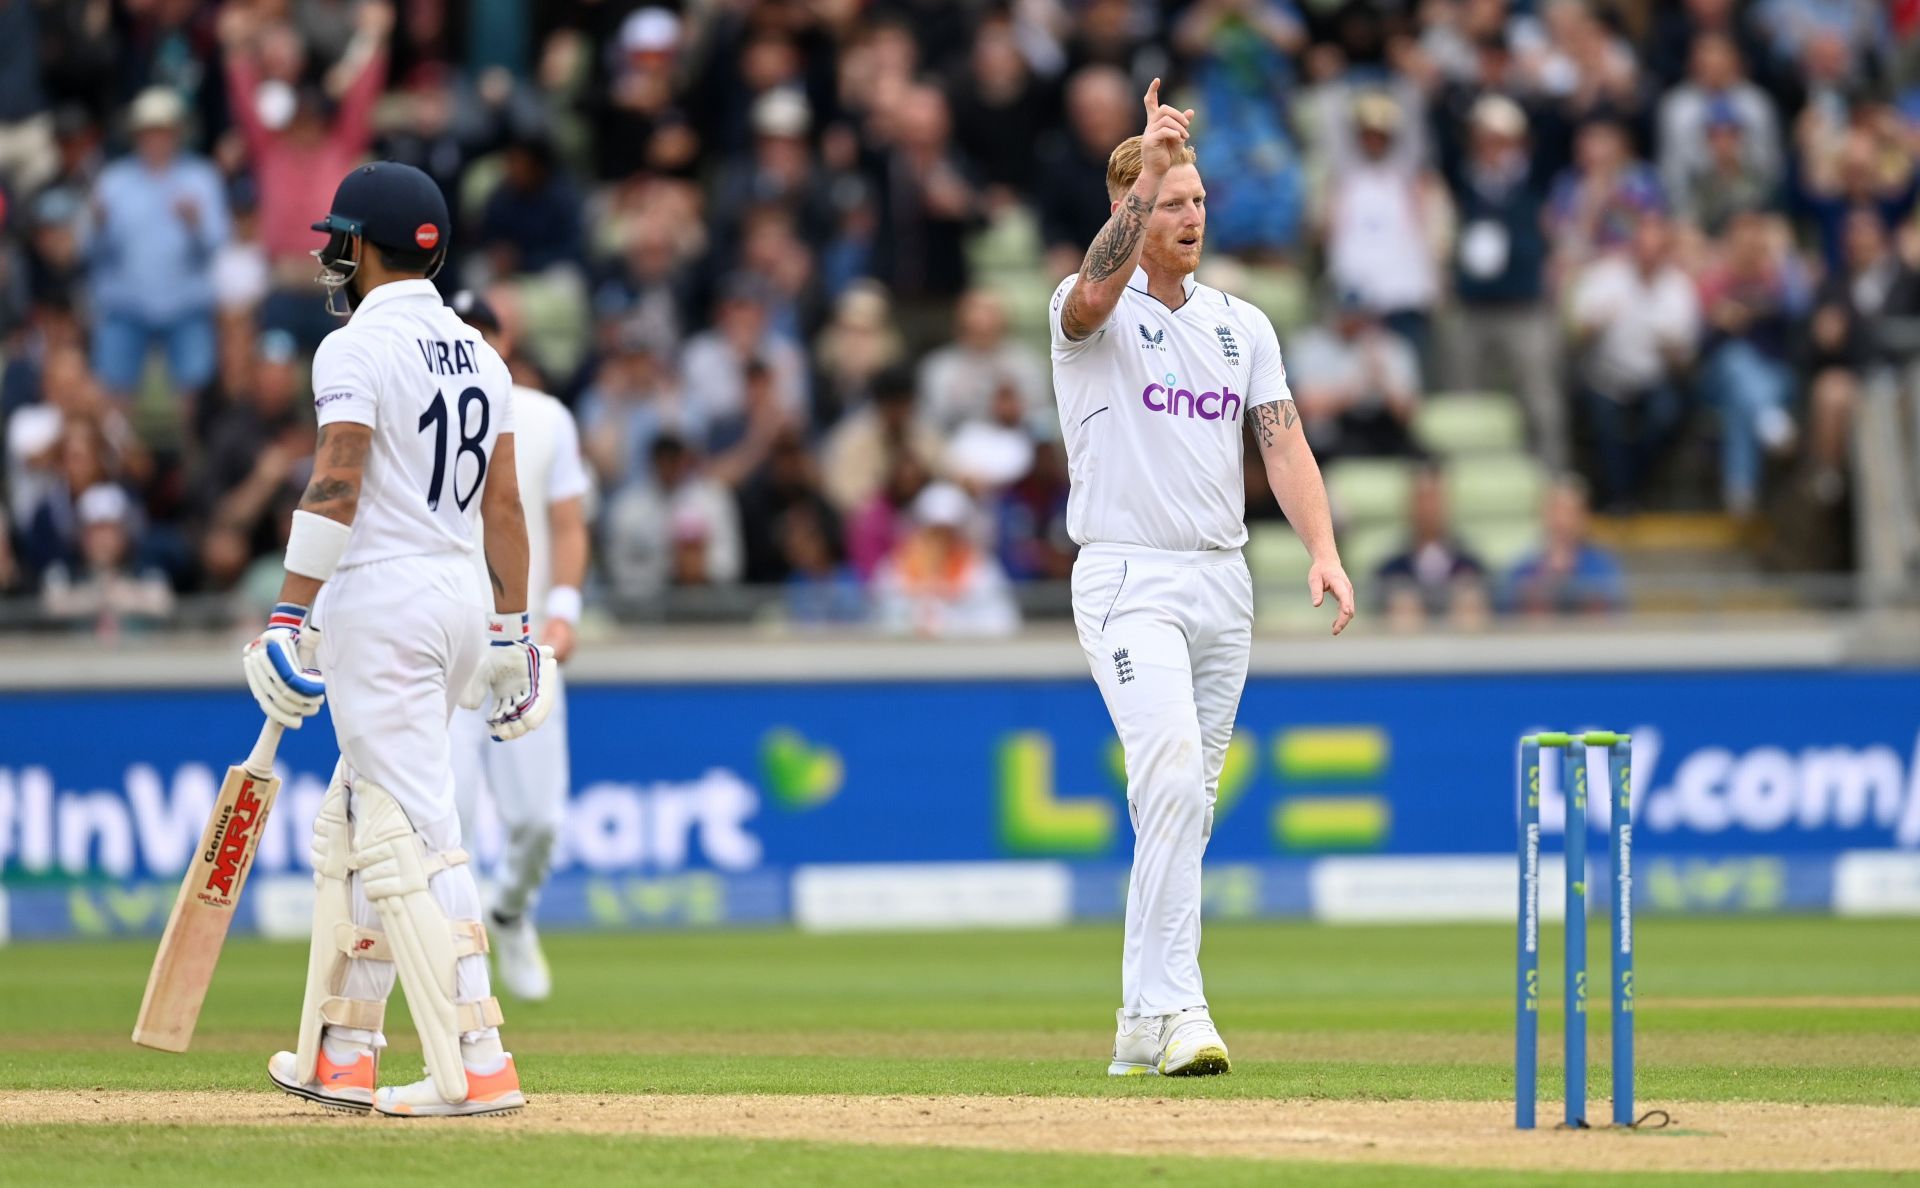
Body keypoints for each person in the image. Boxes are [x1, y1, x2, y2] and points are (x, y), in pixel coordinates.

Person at [1049, 80, 1353, 1078]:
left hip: (1221, 582)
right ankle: (1181, 1010)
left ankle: (1142, 1022)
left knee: (1187, 803)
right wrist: (1144, 159)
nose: (1190, 217)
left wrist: (1323, 548)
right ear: (1130, 206)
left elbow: (1285, 445)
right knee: (1171, 771)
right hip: (1127, 578)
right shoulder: (1083, 308)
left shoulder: (1242, 325)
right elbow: (1096, 289)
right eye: (1170, 201)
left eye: (1196, 202)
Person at [242, 162, 554, 1118]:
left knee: (419, 833)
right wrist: (513, 632)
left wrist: (288, 614)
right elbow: (503, 504)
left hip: (382, 604)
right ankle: (343, 1051)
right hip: (457, 593)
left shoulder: (355, 347)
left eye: (342, 236)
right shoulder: (482, 353)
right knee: (356, 828)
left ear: (368, 245)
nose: (332, 252)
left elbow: (336, 479)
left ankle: (478, 1062)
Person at [447, 290, 591, 1003]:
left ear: (505, 342)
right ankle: (462, 972)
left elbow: (566, 523)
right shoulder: (422, 415)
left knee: (537, 821)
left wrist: (563, 608)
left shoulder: (544, 417)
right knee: (452, 819)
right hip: (445, 650)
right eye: (463, 330)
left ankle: (510, 914)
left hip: (523, 646)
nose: (476, 341)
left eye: (487, 331)